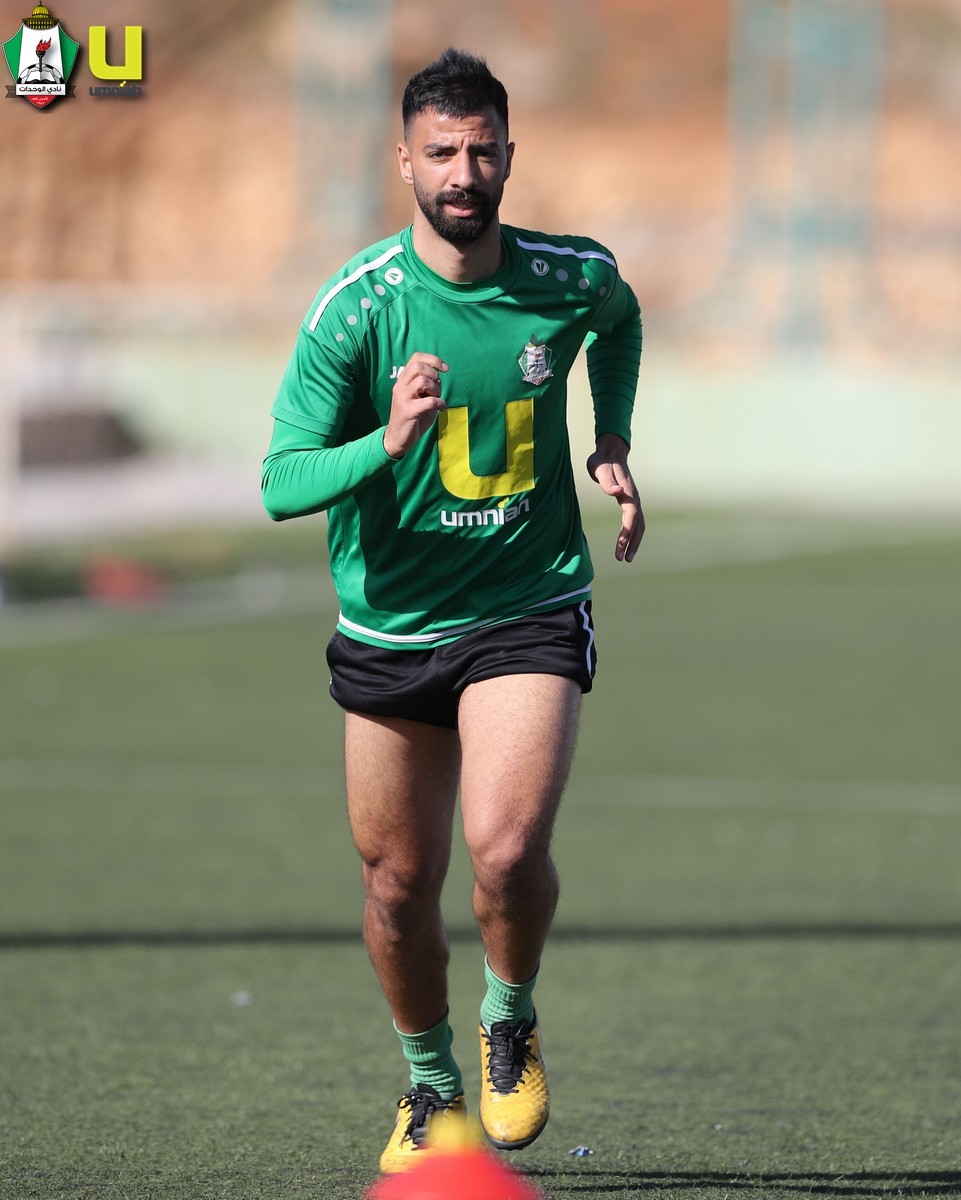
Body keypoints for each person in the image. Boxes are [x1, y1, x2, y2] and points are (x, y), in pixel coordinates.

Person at [261, 47, 643, 1175]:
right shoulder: (356, 310)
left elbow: (617, 319)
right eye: (441, 153)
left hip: (526, 603)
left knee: (507, 851)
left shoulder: (569, 275)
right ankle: (430, 1085)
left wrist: (610, 435)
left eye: (481, 150)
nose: (463, 173)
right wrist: (384, 442)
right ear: (404, 162)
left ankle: (507, 1017)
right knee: (395, 887)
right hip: (390, 628)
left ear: (510, 154)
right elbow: (280, 480)